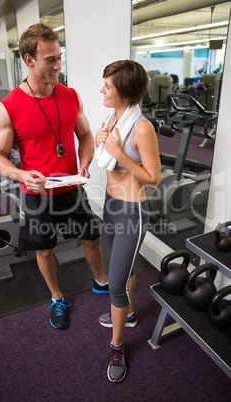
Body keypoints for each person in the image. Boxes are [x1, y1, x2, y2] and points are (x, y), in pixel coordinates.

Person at [0, 23, 108, 330]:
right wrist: (21, 174)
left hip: (71, 187)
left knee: (93, 236)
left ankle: (100, 281)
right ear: (29, 60)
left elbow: (84, 136)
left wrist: (85, 162)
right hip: (38, 194)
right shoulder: (8, 108)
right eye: (50, 60)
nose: (58, 65)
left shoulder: (69, 95)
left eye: (59, 57)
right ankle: (56, 298)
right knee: (44, 248)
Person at [95, 60, 161, 382]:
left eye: (108, 86)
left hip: (131, 212)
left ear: (125, 91)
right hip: (110, 205)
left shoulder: (142, 128)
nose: (102, 90)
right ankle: (130, 315)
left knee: (115, 285)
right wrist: (101, 144)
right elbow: (107, 160)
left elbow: (153, 179)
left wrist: (117, 153)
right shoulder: (114, 118)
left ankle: (117, 345)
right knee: (124, 269)